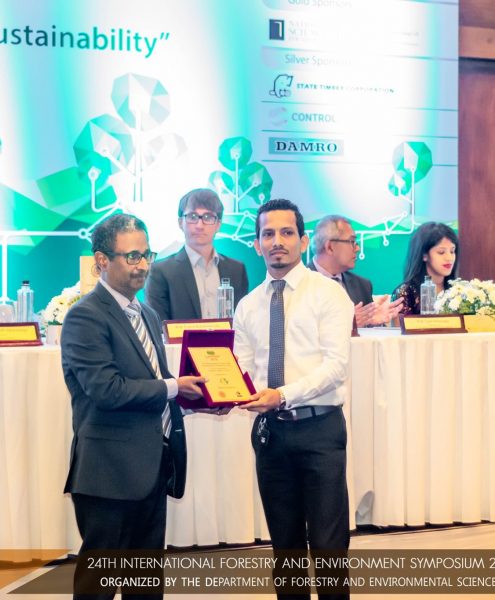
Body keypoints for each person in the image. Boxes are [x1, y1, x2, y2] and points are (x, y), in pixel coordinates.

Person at [61, 213, 205, 600]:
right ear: (102, 260)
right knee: (98, 588)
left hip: (151, 468)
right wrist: (174, 387)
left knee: (146, 585)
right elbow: (107, 390)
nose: (142, 265)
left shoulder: (148, 314)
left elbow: (156, 383)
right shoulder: (85, 316)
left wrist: (198, 400)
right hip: (108, 475)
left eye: (146, 255)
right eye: (132, 256)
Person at [234, 199, 354, 600]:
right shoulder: (248, 305)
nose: (277, 241)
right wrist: (220, 392)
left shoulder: (328, 294)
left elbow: (336, 367)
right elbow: (242, 370)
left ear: (303, 241)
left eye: (287, 232)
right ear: (257, 244)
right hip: (271, 435)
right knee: (285, 549)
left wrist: (281, 395)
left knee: (328, 546)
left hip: (320, 431)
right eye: (268, 234)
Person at [146, 188, 248, 321]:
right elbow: (157, 326)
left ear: (218, 224)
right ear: (180, 222)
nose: (200, 225)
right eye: (192, 217)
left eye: (208, 217)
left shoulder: (237, 270)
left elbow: (243, 323)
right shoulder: (161, 271)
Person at [309, 215, 403, 326]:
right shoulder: (299, 283)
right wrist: (347, 323)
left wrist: (372, 323)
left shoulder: (362, 285)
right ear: (330, 247)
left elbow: (367, 331)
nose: (357, 248)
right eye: (352, 241)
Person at [391, 222, 458, 315]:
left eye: (452, 251)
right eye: (441, 252)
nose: (449, 258)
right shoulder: (405, 292)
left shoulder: (459, 290)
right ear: (424, 255)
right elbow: (400, 324)